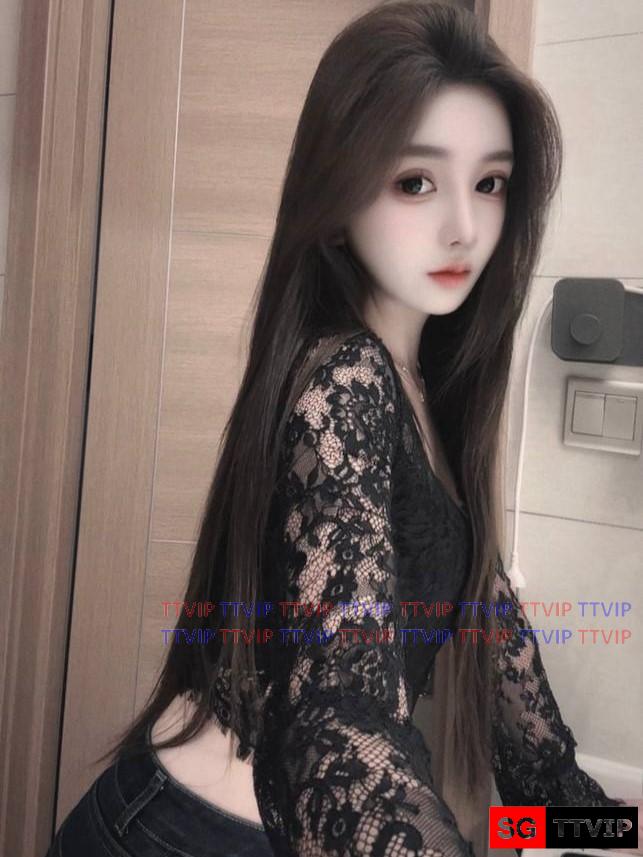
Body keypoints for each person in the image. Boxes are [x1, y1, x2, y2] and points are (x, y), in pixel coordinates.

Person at [45, 3, 634, 856]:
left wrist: (612, 826)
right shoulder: (343, 376)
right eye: (415, 181)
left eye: (490, 183)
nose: (464, 226)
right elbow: (339, 722)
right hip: (178, 834)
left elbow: (533, 764)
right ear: (337, 194)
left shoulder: (431, 397)